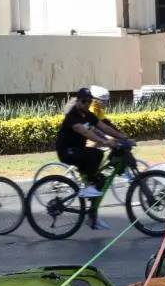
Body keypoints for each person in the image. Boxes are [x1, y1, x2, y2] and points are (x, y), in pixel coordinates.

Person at [55, 87, 132, 229]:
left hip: (78, 150)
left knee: (100, 178)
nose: (86, 104)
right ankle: (88, 186)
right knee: (95, 154)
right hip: (67, 151)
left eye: (89, 102)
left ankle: (92, 217)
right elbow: (83, 131)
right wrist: (105, 142)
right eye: (84, 101)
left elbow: (103, 127)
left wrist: (122, 136)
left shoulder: (88, 115)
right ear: (78, 101)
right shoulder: (72, 116)